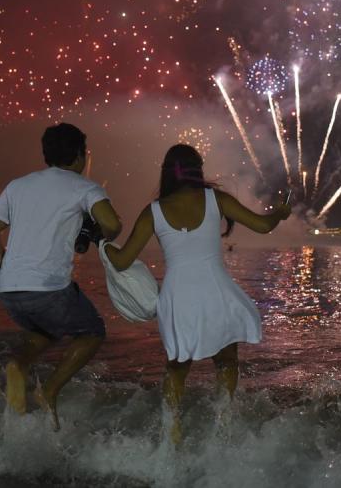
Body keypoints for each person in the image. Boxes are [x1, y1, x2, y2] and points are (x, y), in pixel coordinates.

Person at [104, 144, 290, 444]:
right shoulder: (216, 199)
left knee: (177, 366)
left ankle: (172, 431)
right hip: (214, 289)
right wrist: (280, 212)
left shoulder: (153, 212)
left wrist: (103, 246)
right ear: (197, 170)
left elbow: (122, 260)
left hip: (178, 296)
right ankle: (224, 423)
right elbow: (263, 226)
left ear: (167, 173)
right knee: (227, 360)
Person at [0, 122, 122, 427]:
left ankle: (19, 366)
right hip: (48, 289)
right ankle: (51, 390)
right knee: (92, 330)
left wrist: (4, 267)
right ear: (80, 156)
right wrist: (97, 227)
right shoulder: (84, 187)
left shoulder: (17, 186)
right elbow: (112, 224)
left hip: (10, 291)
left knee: (46, 330)